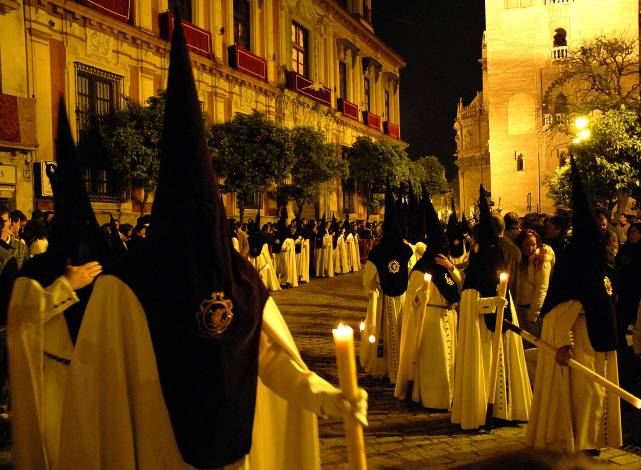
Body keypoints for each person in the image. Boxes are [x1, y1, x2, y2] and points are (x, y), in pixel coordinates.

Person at [56, 16, 367, 469]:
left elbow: (270, 361)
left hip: (233, 452)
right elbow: (101, 400)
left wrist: (328, 397)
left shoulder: (238, 280)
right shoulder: (126, 290)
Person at [7, 101, 108, 470]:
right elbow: (20, 327)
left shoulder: (106, 266)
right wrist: (66, 285)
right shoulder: (36, 271)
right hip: (53, 387)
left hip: (100, 387)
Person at [527, 157, 622, 453]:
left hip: (595, 342)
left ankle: (590, 439)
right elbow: (562, 310)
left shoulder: (594, 267)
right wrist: (563, 343)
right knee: (581, 393)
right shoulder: (573, 270)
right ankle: (577, 439)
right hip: (578, 343)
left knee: (593, 394)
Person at [451, 185, 532, 431]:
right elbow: (471, 298)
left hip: (503, 317)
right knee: (488, 366)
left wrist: (499, 302)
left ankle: (504, 408)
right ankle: (487, 409)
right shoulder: (483, 261)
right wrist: (490, 303)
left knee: (503, 363)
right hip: (484, 328)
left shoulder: (493, 254)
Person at [395, 186, 461, 409]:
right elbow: (412, 298)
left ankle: (451, 397)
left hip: (449, 318)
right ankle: (434, 398)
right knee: (436, 362)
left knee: (451, 362)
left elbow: (460, 287)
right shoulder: (421, 270)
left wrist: (452, 268)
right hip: (430, 321)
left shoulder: (446, 268)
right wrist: (421, 294)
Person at [360, 185, 413, 383]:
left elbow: (368, 277)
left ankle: (389, 370)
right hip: (403, 297)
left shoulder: (378, 251)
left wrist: (372, 292)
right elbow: (411, 273)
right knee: (402, 331)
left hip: (385, 298)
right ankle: (402, 369)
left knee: (387, 333)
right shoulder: (406, 250)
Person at [615, 222, 641, 346]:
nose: (631, 236)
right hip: (625, 293)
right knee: (620, 324)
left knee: (640, 326)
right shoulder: (625, 250)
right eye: (630, 233)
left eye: (635, 233)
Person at [515, 229, 553, 338]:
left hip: (533, 310)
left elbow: (542, 288)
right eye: (526, 245)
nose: (530, 248)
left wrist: (534, 314)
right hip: (521, 307)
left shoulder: (541, 260)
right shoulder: (521, 259)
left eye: (533, 245)